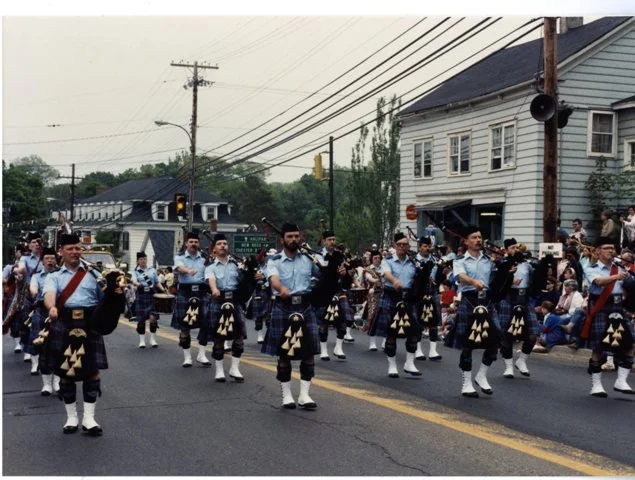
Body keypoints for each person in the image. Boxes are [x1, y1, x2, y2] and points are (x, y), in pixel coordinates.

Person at [42, 233, 110, 435]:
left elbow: (105, 298)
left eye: (77, 248)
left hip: (90, 324)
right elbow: (49, 294)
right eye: (70, 249)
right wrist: (52, 307)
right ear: (61, 252)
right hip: (64, 322)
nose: (74, 252)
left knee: (92, 371)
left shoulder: (94, 274)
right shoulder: (54, 276)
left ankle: (89, 418)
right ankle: (71, 417)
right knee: (65, 373)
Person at [262, 223, 321, 409]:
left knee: (308, 352)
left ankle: (304, 395)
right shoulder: (274, 261)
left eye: (296, 236)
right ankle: (287, 395)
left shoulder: (309, 259)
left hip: (305, 306)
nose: (294, 239)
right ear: (282, 240)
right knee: (284, 353)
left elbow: (323, 273)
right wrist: (281, 288)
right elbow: (273, 279)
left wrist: (336, 270)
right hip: (283, 306)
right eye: (290, 236)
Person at [449, 225, 500, 398]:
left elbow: (496, 280)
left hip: (487, 302)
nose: (478, 240)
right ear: (466, 241)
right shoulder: (459, 260)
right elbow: (460, 276)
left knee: (496, 339)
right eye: (474, 237)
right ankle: (466, 383)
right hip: (469, 300)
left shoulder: (489, 260)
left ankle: (481, 375)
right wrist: (472, 282)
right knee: (468, 344)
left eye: (479, 237)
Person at [580, 237, 633, 397]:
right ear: (598, 251)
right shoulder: (591, 267)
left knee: (630, 344)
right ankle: (596, 385)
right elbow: (598, 281)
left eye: (612, 248)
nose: (611, 250)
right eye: (607, 248)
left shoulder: (619, 267)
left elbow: (629, 286)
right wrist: (617, 277)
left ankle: (621, 381)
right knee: (598, 348)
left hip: (618, 307)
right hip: (601, 307)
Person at [205, 233, 248, 383]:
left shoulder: (237, 265)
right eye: (219, 244)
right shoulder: (210, 267)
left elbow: (244, 281)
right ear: (214, 249)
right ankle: (219, 370)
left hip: (235, 301)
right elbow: (211, 280)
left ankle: (234, 368)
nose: (223, 246)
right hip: (218, 300)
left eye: (225, 243)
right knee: (219, 337)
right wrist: (214, 289)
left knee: (239, 335)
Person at [378, 232, 421, 378]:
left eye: (405, 244)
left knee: (414, 331)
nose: (402, 246)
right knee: (391, 332)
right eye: (399, 244)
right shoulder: (387, 260)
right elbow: (386, 274)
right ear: (395, 246)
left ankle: (409, 363)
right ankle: (392, 366)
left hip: (409, 298)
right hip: (392, 296)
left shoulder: (414, 262)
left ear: (408, 246)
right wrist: (394, 280)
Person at [497, 238, 540, 379]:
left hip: (524, 299)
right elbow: (496, 283)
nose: (516, 250)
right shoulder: (502, 265)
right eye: (513, 248)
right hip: (508, 298)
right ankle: (509, 366)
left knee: (533, 334)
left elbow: (534, 279)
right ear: (506, 250)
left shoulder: (527, 265)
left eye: (517, 247)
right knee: (506, 334)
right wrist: (509, 279)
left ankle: (521, 360)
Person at [172, 231, 211, 368]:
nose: (194, 244)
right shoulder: (180, 257)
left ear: (198, 243)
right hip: (185, 292)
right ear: (186, 244)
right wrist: (188, 271)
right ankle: (187, 357)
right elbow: (179, 267)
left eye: (196, 242)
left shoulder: (204, 259)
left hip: (202, 293)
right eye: (191, 242)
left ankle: (202, 354)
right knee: (185, 326)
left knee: (206, 323)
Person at [316, 230, 354, 361]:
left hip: (338, 291)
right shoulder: (318, 255)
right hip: (323, 292)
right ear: (324, 241)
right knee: (324, 322)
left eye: (334, 239)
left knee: (343, 320)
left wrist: (345, 273)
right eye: (329, 240)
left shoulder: (339, 255)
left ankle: (338, 347)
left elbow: (345, 275)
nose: (332, 242)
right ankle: (323, 350)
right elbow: (319, 273)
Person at [27, 247, 60, 381]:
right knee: (36, 338)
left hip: (58, 310)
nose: (50, 261)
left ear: (56, 260)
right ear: (42, 261)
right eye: (47, 258)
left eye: (52, 258)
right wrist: (34, 291)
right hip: (41, 309)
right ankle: (35, 364)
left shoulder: (61, 274)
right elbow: (33, 288)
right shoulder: (36, 276)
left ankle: (57, 378)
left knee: (58, 342)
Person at [413, 236, 443, 361]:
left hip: (433, 292)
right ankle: (418, 350)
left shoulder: (436, 260)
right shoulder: (414, 260)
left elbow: (440, 276)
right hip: (419, 293)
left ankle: (433, 351)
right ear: (420, 247)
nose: (427, 248)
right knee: (418, 321)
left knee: (433, 321)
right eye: (425, 246)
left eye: (429, 246)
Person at [131, 252, 165, 349]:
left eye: (144, 259)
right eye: (141, 259)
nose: (143, 261)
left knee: (153, 318)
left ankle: (152, 339)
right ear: (137, 261)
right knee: (141, 320)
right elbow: (134, 281)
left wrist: (163, 290)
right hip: (141, 295)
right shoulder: (135, 271)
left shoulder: (152, 270)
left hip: (152, 295)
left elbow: (157, 282)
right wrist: (138, 284)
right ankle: (142, 341)